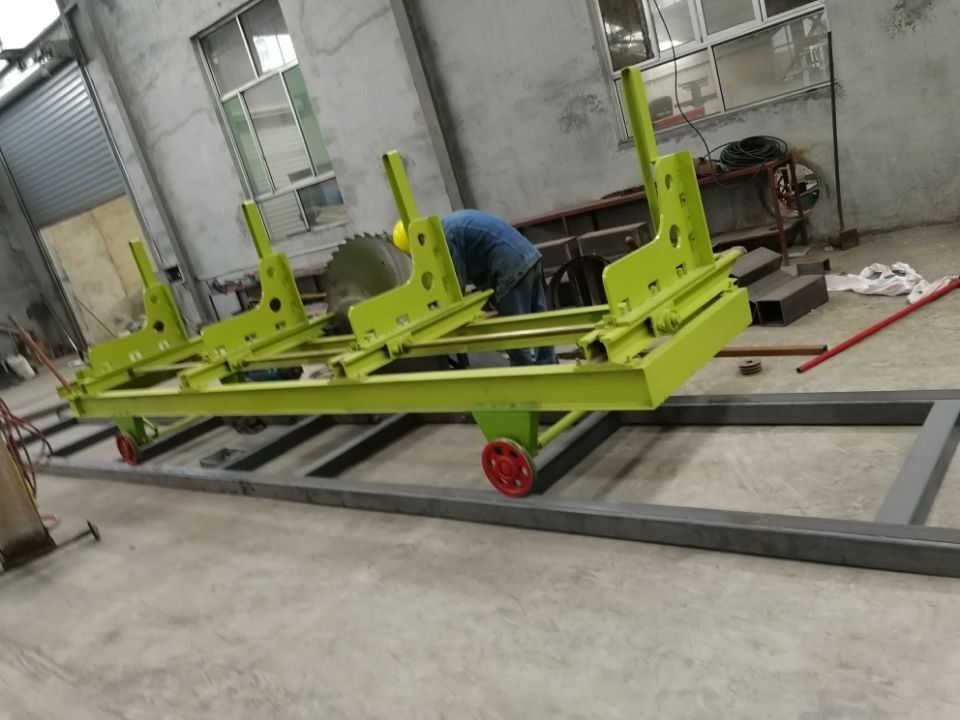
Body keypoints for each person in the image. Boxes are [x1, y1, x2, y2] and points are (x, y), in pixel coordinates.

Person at [393, 209, 556, 366]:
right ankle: (549, 366)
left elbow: (455, 284)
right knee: (538, 322)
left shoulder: (446, 238)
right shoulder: (449, 225)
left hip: (510, 267)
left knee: (514, 332)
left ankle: (525, 375)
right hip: (529, 255)